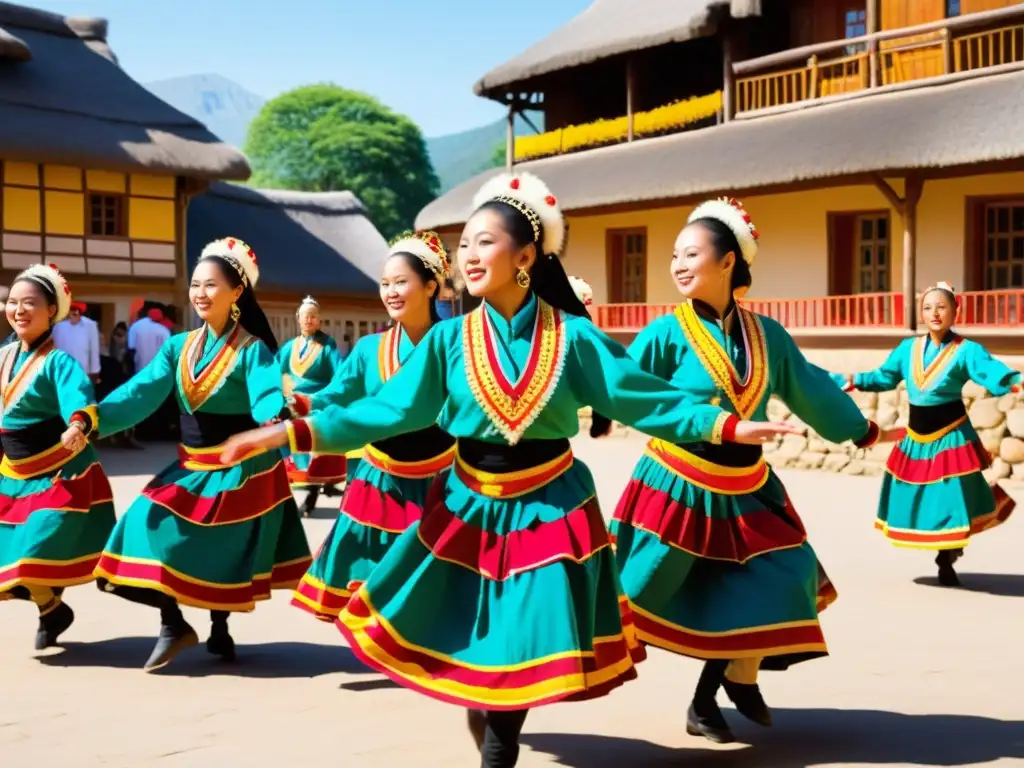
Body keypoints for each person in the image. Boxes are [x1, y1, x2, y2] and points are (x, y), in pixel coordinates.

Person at [219, 173, 799, 768]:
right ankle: (494, 725)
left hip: (552, 505)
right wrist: (284, 433)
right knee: (476, 634)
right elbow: (386, 410)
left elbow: (643, 398)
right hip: (469, 501)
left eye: (484, 243)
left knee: (522, 629)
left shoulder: (575, 337)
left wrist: (725, 427)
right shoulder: (448, 340)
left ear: (526, 257)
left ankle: (499, 745)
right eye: (464, 244)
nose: (469, 256)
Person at [608, 199, 897, 743]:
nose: (678, 264)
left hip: (747, 486)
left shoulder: (768, 336)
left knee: (783, 574)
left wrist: (864, 431)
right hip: (678, 484)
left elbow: (810, 387)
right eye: (674, 255)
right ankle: (530, 670)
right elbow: (622, 383)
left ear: (728, 262)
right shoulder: (666, 333)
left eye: (691, 253)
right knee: (636, 590)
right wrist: (595, 411)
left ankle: (717, 692)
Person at [91, 237, 312, 672]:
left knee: (219, 552)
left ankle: (218, 626)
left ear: (237, 293)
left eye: (211, 285)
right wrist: (91, 420)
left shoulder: (253, 350)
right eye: (195, 284)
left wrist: (273, 418)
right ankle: (173, 623)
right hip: (192, 465)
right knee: (141, 524)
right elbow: (140, 393)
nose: (200, 293)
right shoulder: (178, 347)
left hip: (237, 468)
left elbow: (267, 393)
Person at [289, 232, 456, 622]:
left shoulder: (455, 344)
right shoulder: (369, 350)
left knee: (435, 581)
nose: (391, 292)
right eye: (384, 283)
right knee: (370, 579)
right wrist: (295, 405)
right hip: (380, 479)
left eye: (401, 282)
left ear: (431, 285)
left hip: (443, 479)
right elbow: (334, 396)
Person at [833, 281, 1019, 587]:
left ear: (955, 310)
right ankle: (944, 548)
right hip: (917, 438)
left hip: (951, 437)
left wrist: (1013, 380)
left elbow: (990, 372)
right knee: (918, 497)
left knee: (950, 500)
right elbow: (885, 377)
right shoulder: (908, 349)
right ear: (921, 313)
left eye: (942, 306)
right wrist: (855, 380)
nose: (935, 313)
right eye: (928, 307)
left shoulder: (967, 350)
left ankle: (947, 556)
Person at [0, 265, 116, 649]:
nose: (18, 310)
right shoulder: (2, 356)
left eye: (29, 303)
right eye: (12, 302)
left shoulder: (59, 362)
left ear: (52, 310)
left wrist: (78, 425)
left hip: (59, 474)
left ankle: (50, 604)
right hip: (13, 474)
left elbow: (78, 399)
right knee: (9, 562)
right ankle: (52, 608)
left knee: (32, 554)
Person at [278, 296, 347, 516]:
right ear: (298, 318)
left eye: (313, 316)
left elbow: (341, 374)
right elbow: (277, 374)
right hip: (291, 403)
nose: (309, 320)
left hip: (316, 404)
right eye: (305, 316)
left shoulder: (328, 346)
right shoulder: (290, 347)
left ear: (319, 321)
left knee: (312, 446)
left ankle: (311, 495)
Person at [51, 301, 101, 383]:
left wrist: (95, 371)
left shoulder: (90, 325)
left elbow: (94, 350)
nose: (76, 312)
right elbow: (53, 348)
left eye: (79, 310)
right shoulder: (59, 326)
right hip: (62, 371)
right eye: (73, 309)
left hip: (83, 371)